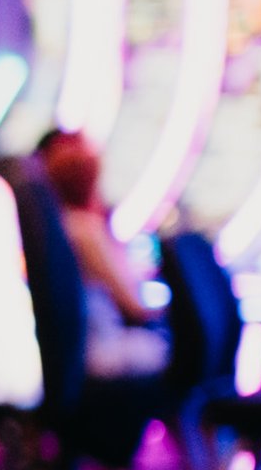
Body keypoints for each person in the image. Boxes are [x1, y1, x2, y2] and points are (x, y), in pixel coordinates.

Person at [36, 129, 168, 380]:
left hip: (76, 356)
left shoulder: (58, 225)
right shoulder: (85, 230)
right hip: (99, 353)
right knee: (168, 348)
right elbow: (133, 306)